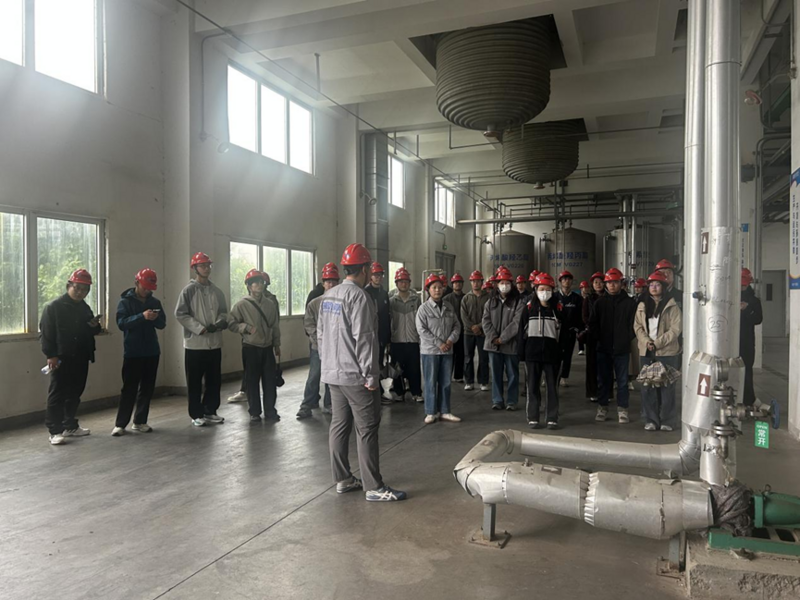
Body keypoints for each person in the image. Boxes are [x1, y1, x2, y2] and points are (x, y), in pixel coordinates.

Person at [318, 243, 407, 502]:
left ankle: (343, 479)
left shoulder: (329, 296)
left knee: (339, 426)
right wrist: (371, 376)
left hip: (333, 374)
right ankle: (373, 486)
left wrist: (328, 363)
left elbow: (320, 335)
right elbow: (365, 339)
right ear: (365, 269)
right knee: (367, 428)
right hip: (356, 376)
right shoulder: (359, 297)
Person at [39, 269, 102, 445]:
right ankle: (55, 430)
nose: (81, 292)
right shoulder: (53, 307)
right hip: (61, 357)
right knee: (58, 393)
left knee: (75, 392)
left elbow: (92, 331)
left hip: (81, 356)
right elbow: (46, 334)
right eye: (77, 288)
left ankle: (70, 425)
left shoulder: (84, 308)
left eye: (85, 290)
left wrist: (94, 326)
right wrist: (51, 355)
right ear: (69, 286)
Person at [175, 252, 229, 427]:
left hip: (214, 343)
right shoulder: (188, 291)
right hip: (195, 345)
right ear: (195, 268)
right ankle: (196, 414)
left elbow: (223, 312)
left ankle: (210, 411)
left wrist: (219, 323)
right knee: (194, 382)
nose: (206, 268)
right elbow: (180, 314)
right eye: (202, 265)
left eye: (208, 265)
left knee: (214, 380)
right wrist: (200, 328)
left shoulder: (217, 291)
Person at [113, 268, 166, 436]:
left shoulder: (155, 302)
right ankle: (120, 424)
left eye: (150, 288)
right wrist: (141, 316)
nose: (147, 291)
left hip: (152, 351)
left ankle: (140, 421)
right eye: (145, 287)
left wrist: (155, 318)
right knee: (129, 389)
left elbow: (162, 324)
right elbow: (122, 324)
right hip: (133, 352)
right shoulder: (125, 302)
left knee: (147, 388)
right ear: (136, 283)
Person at [229, 269, 281, 422]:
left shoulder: (270, 304)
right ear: (249, 286)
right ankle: (254, 412)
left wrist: (277, 344)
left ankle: (270, 411)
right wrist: (245, 327)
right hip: (250, 347)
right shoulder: (241, 305)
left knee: (270, 382)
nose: (259, 285)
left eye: (261, 282)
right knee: (252, 381)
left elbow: (275, 325)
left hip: (267, 347)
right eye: (255, 282)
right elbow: (231, 323)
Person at [634, 271, 682, 431]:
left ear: (664, 287)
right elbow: (637, 327)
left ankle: (668, 420)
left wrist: (657, 343)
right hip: (647, 351)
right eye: (651, 285)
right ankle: (651, 420)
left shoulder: (672, 306)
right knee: (648, 387)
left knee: (667, 387)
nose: (654, 287)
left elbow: (676, 329)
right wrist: (647, 342)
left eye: (657, 284)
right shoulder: (642, 306)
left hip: (667, 351)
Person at [589, 268, 637, 423]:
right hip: (603, 348)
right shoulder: (600, 303)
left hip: (622, 349)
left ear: (621, 283)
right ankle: (602, 407)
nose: (612, 285)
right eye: (609, 283)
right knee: (604, 380)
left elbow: (634, 325)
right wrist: (599, 339)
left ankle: (623, 409)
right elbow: (593, 324)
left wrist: (625, 339)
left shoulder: (630, 303)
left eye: (615, 282)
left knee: (622, 381)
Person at [518, 272, 562, 429]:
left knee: (552, 388)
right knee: (532, 386)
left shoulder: (557, 310)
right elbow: (521, 332)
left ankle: (552, 417)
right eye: (541, 289)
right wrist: (522, 353)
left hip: (552, 355)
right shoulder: (528, 309)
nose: (544, 292)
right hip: (532, 354)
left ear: (552, 290)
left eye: (548, 289)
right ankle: (533, 417)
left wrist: (561, 352)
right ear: (535, 290)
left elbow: (564, 334)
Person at [416, 274, 462, 424]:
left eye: (440, 287)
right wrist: (439, 343)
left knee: (446, 382)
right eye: (434, 287)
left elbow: (457, 325)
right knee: (430, 382)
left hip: (447, 350)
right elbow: (422, 330)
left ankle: (445, 411)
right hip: (430, 352)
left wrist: (450, 340)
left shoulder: (449, 307)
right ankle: (431, 412)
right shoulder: (423, 309)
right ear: (428, 290)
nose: (437, 290)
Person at [297, 265, 340, 419]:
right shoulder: (314, 304)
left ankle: (329, 404)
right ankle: (306, 405)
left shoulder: (341, 303)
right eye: (328, 281)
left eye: (334, 281)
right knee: (314, 375)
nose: (331, 284)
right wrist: (319, 340)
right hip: (318, 347)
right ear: (323, 283)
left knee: (332, 376)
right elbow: (309, 324)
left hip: (335, 347)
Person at [483, 266, 524, 410]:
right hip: (493, 345)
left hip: (511, 344)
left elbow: (517, 323)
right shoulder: (490, 302)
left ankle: (511, 401)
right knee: (496, 374)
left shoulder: (518, 302)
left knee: (512, 374)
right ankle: (497, 400)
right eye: (502, 282)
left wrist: (503, 338)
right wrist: (494, 337)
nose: (504, 285)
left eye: (507, 283)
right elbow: (485, 321)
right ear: (496, 284)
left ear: (512, 285)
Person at [388, 267, 423, 403]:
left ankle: (416, 392)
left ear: (409, 283)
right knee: (397, 368)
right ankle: (399, 393)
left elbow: (420, 319)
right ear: (396, 283)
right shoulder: (392, 301)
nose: (404, 284)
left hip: (413, 340)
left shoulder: (416, 300)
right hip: (396, 340)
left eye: (406, 281)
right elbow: (388, 320)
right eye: (401, 281)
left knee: (414, 368)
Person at [461, 270, 491, 392]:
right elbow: (463, 316)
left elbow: (489, 315)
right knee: (468, 357)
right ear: (471, 282)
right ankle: (469, 381)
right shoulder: (466, 298)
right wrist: (473, 327)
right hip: (468, 333)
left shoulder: (488, 298)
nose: (475, 283)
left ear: (482, 282)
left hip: (483, 333)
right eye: (473, 281)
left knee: (483, 358)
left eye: (478, 281)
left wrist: (480, 326)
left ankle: (483, 382)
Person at [553, 270, 582, 388]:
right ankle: (552, 376)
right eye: (564, 279)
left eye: (569, 279)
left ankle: (564, 377)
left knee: (568, 355)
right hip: (556, 332)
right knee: (555, 355)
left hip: (570, 332)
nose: (567, 281)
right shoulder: (554, 297)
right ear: (560, 282)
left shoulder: (577, 298)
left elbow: (580, 316)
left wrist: (577, 329)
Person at [740, 268, 763, 406]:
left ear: (749, 283)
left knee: (746, 372)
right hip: (730, 341)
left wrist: (747, 309)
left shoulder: (754, 301)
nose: (741, 288)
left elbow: (758, 319)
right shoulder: (729, 297)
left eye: (744, 285)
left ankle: (748, 401)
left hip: (746, 342)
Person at [580, 272, 605, 402]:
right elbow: (584, 317)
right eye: (596, 282)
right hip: (592, 335)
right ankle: (592, 391)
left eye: (600, 282)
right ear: (592, 285)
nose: (598, 284)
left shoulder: (608, 298)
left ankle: (605, 392)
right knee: (592, 364)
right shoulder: (588, 299)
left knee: (605, 365)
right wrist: (593, 326)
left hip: (606, 335)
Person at [364, 262, 391, 367]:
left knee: (380, 360)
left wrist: (388, 335)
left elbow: (387, 314)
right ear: (371, 276)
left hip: (382, 332)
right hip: (370, 332)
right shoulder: (366, 292)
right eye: (375, 275)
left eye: (380, 275)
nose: (378, 277)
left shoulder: (384, 293)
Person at [444, 273, 466, 383]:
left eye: (459, 282)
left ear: (462, 284)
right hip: (450, 331)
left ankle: (458, 376)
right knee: (450, 354)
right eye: (455, 282)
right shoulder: (446, 299)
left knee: (461, 354)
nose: (457, 284)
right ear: (452, 284)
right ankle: (447, 375)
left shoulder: (466, 297)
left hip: (463, 330)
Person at [578, 280, 590, 355]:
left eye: (586, 287)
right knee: (580, 333)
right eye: (583, 288)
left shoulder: (590, 298)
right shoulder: (578, 298)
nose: (585, 289)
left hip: (587, 318)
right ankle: (581, 348)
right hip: (580, 318)